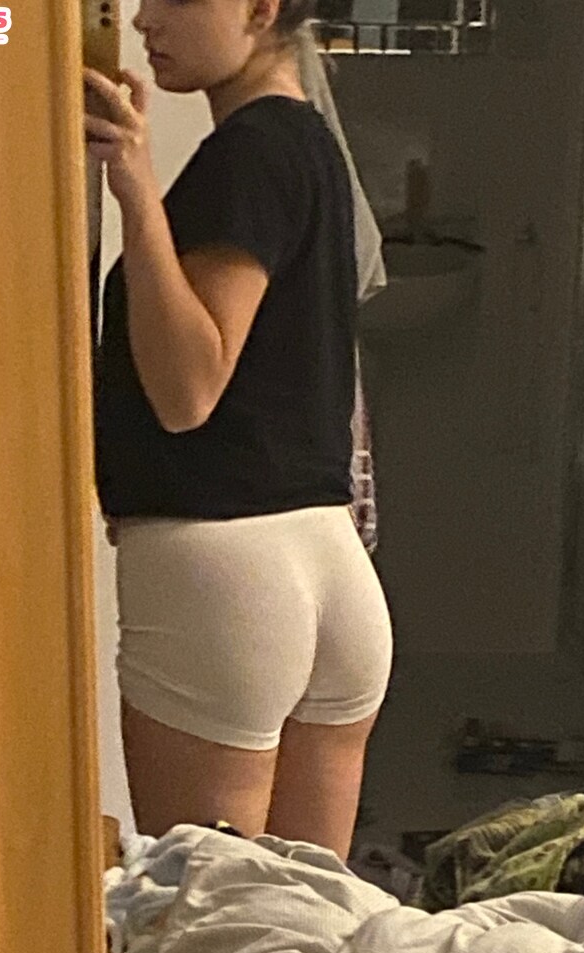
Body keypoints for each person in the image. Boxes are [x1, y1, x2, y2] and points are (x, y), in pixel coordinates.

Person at [84, 0, 393, 861]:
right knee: (309, 924)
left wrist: (136, 191)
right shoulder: (309, 144)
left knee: (206, 923)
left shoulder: (249, 153)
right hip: (332, 569)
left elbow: (189, 389)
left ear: (261, 8)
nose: (144, 20)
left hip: (224, 580)